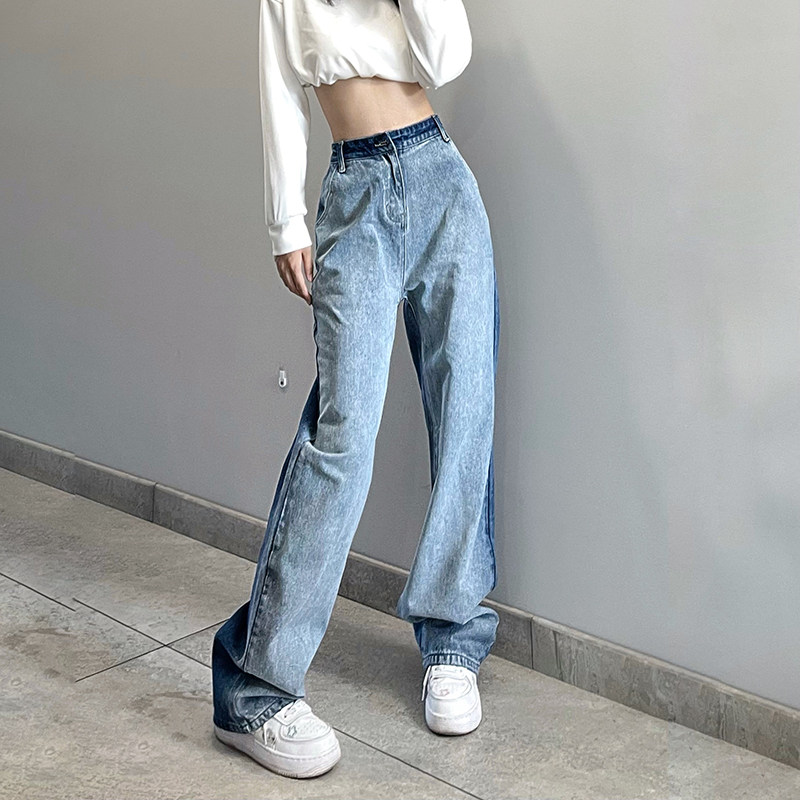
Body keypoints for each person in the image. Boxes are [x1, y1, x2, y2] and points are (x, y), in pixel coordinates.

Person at [211, 0, 500, 779]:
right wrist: (285, 222)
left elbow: (449, 57)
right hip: (355, 193)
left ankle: (453, 637)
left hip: (442, 180)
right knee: (342, 436)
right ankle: (256, 688)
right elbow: (279, 81)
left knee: (465, 413)